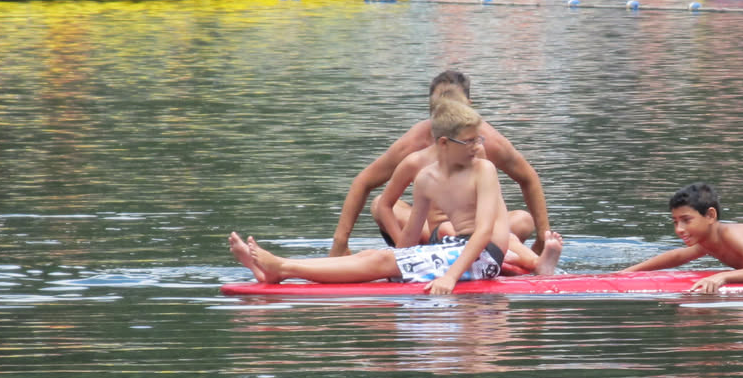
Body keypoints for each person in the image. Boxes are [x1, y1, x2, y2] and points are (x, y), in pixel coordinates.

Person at [231, 98, 563, 295]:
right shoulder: (426, 178)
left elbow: (485, 232)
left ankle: (282, 268)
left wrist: (449, 276)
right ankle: (277, 271)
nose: (479, 146)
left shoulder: (484, 170)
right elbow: (408, 240)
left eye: (479, 139)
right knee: (376, 256)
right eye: (471, 141)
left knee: (383, 261)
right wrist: (396, 264)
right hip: (453, 249)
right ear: (444, 144)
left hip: (483, 256)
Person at [329, 70, 549, 255]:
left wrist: (542, 239)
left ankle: (523, 259)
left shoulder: (485, 143)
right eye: (440, 108)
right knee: (383, 205)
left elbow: (528, 178)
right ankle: (421, 252)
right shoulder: (416, 148)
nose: (447, 113)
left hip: (480, 231)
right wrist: (341, 242)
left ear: (468, 107)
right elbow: (364, 182)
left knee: (523, 220)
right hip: (430, 232)